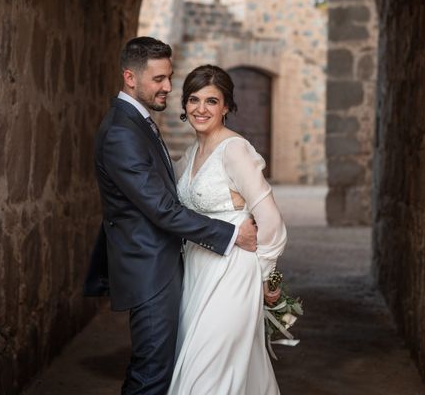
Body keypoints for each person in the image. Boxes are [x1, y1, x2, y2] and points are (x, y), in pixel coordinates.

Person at [85, 37, 258, 395]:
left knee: (161, 366)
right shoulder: (122, 132)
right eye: (159, 79)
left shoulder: (137, 121)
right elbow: (161, 209)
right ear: (130, 78)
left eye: (169, 77)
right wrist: (229, 232)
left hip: (164, 264)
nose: (168, 87)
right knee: (151, 375)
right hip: (149, 269)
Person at [168, 65, 287, 395]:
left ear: (226, 107)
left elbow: (271, 220)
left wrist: (268, 279)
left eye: (211, 101)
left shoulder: (235, 150)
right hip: (197, 272)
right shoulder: (191, 154)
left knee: (206, 372)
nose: (200, 109)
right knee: (214, 365)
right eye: (193, 99)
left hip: (232, 273)